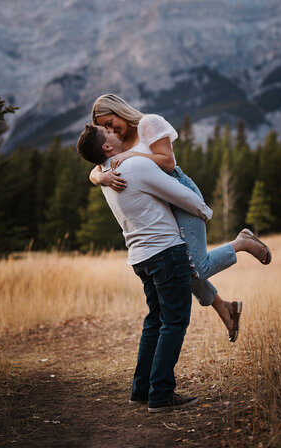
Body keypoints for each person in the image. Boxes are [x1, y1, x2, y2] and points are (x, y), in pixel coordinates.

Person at [89, 94, 272, 341]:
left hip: (179, 193)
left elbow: (167, 162)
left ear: (120, 111)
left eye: (111, 123)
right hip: (159, 207)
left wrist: (132, 157)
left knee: (197, 266)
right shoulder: (115, 143)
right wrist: (100, 177)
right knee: (181, 268)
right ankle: (223, 306)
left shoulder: (148, 123)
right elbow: (95, 167)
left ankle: (242, 242)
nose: (111, 130)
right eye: (105, 128)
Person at [77, 124, 214, 412]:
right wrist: (205, 212)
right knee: (174, 322)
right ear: (106, 146)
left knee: (155, 321)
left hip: (140, 257)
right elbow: (179, 194)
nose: (114, 131)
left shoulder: (107, 176)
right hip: (165, 252)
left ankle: (142, 389)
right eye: (108, 131)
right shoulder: (135, 165)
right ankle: (161, 394)